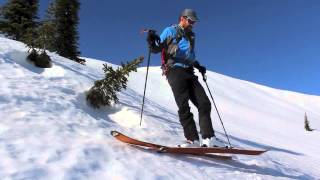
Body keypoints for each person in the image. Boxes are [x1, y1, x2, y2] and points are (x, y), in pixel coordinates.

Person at [147, 9, 225, 147]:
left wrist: (198, 65)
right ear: (182, 18)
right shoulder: (170, 31)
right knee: (183, 105)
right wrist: (152, 41)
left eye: (194, 22)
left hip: (189, 71)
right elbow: (156, 49)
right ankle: (192, 140)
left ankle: (208, 138)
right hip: (174, 70)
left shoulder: (190, 37)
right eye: (190, 21)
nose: (192, 24)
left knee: (204, 103)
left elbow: (189, 56)